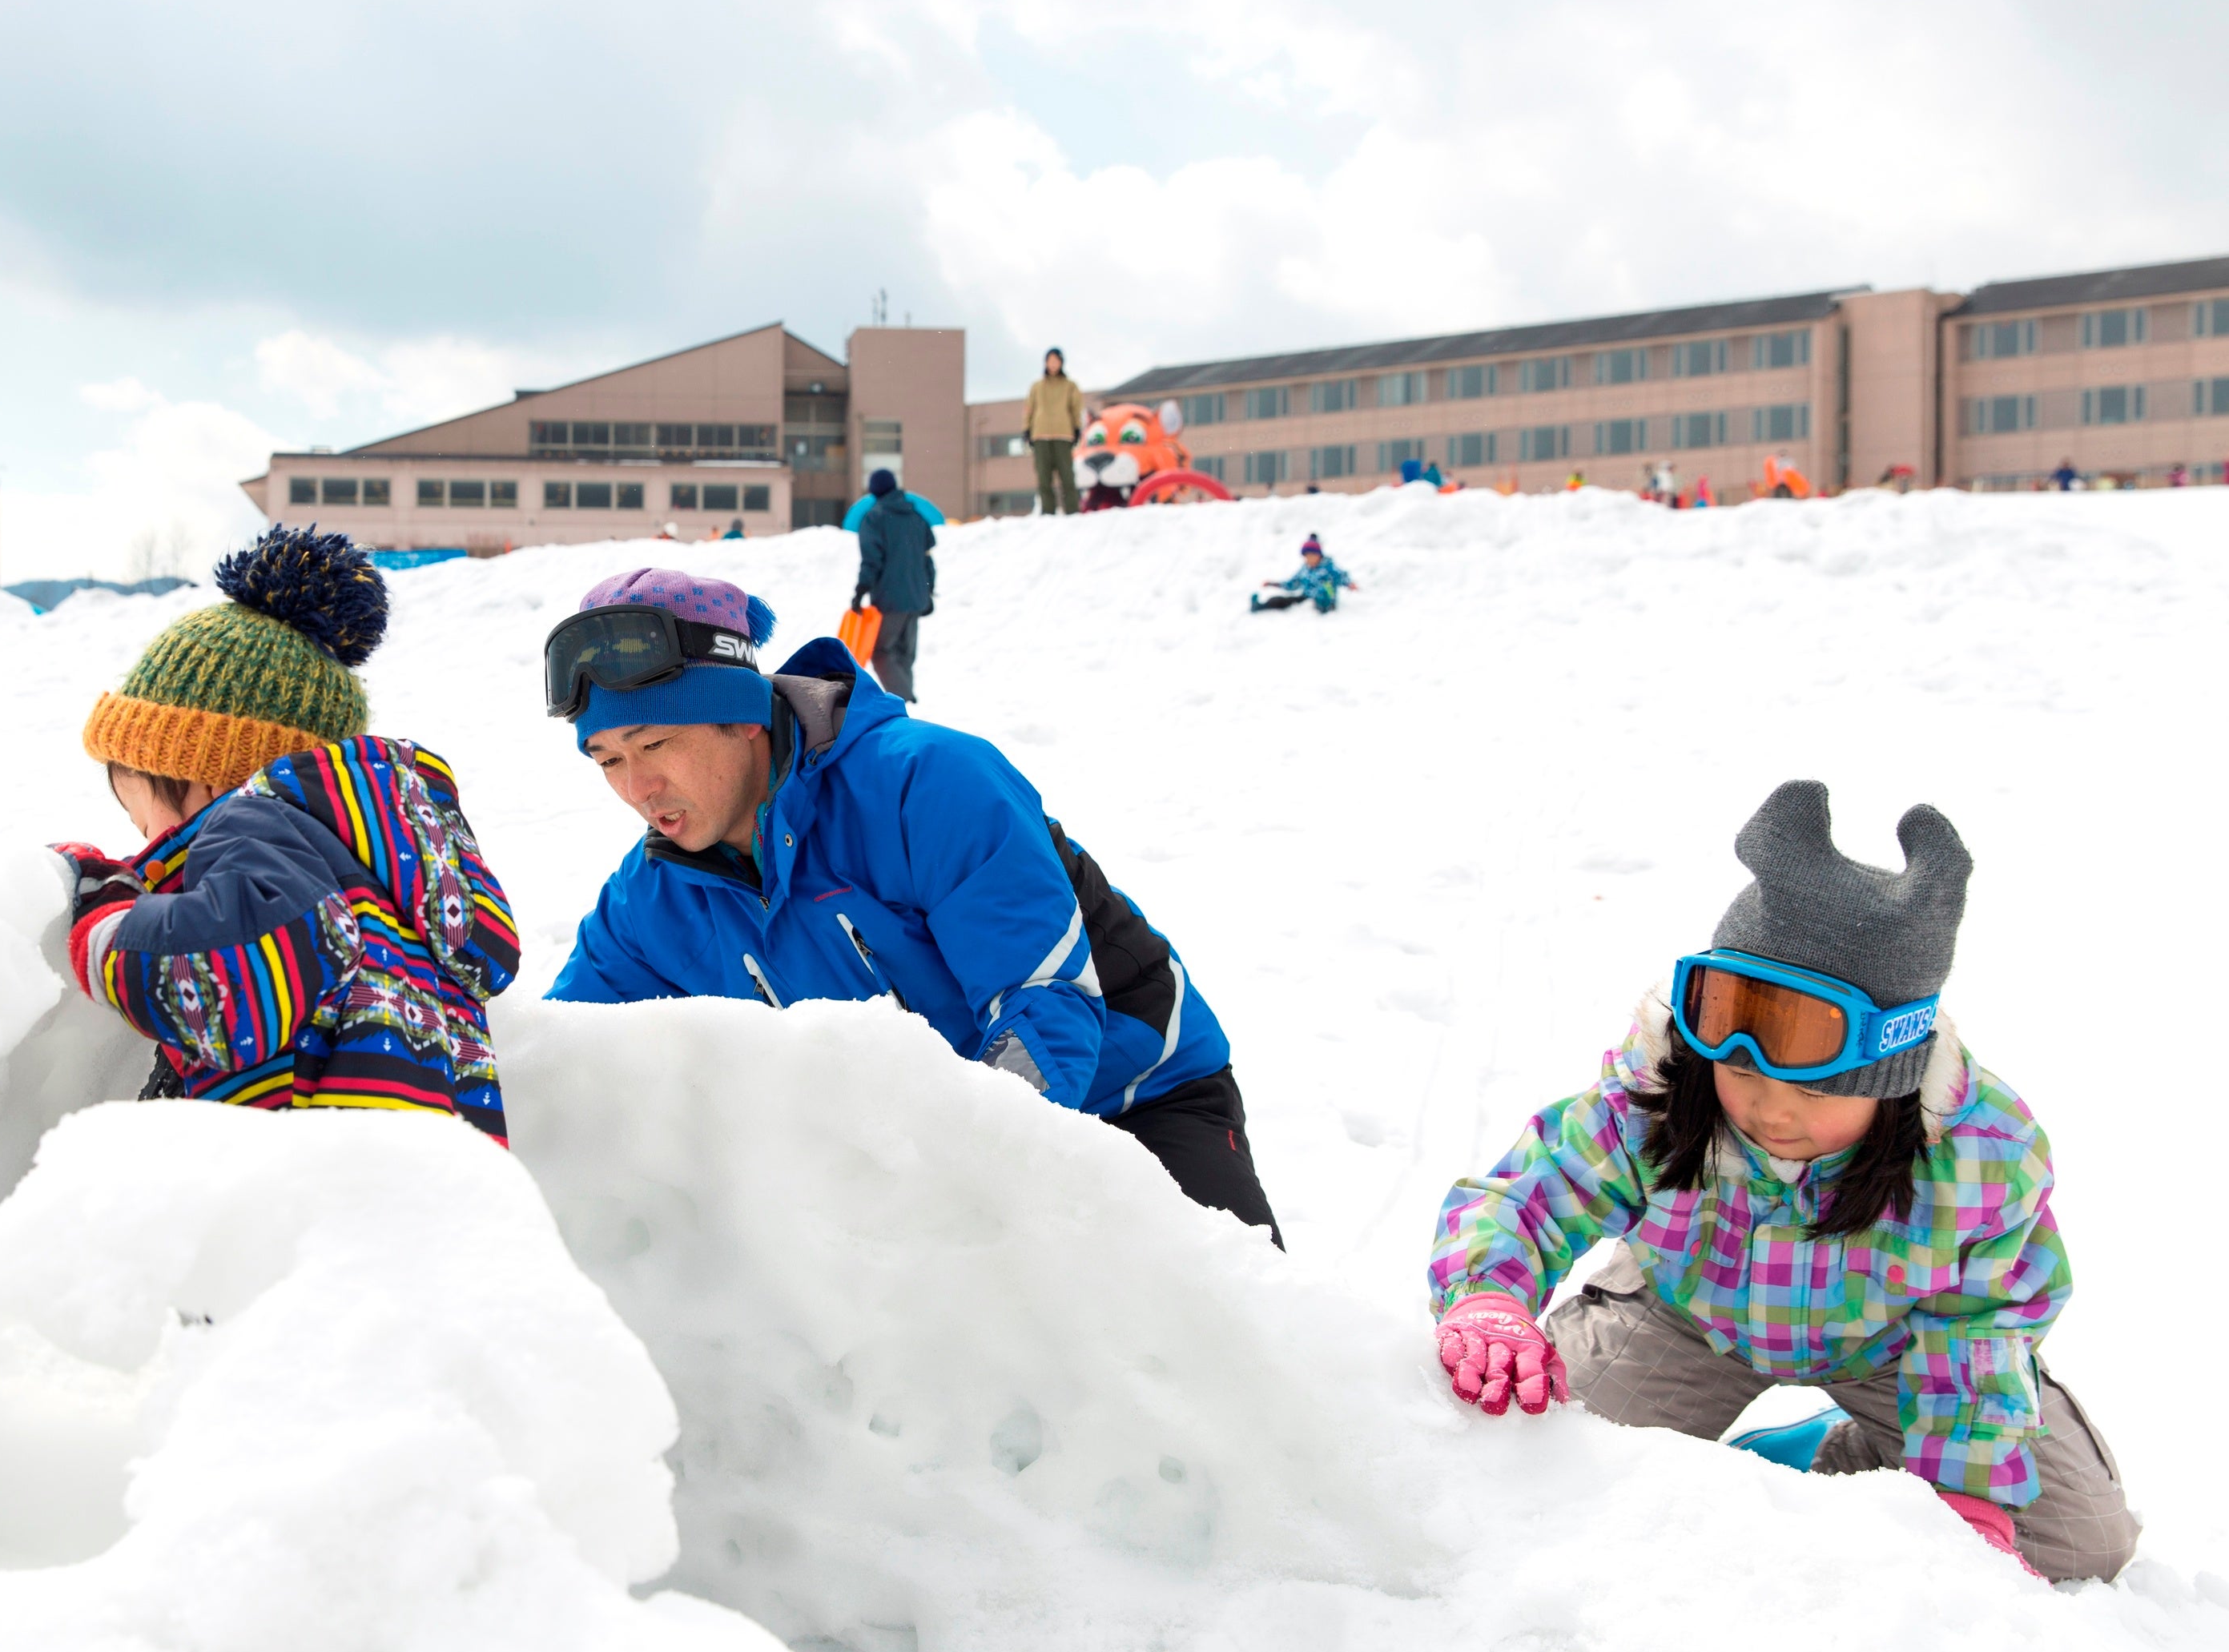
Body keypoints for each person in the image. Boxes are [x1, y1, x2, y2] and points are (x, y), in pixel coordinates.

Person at [1427, 781, 2135, 1582]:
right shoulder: (1659, 1097)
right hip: (1685, 1310)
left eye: (1816, 1090)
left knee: (2078, 1546)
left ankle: (1840, 1456)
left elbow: (1980, 1323)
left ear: (1892, 1080)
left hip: (1900, 1351)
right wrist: (1488, 1292)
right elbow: (1530, 1195)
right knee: (1533, 1470)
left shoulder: (1981, 1154)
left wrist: (1971, 1489)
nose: (1768, 1107)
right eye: (1739, 1070)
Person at [541, 568, 1279, 1236]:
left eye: (656, 745)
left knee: (1244, 1356)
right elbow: (561, 1060)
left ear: (740, 716)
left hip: (1138, 1098)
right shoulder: (650, 900)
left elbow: (1045, 1004)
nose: (637, 790)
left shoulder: (926, 784)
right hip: (919, 1173)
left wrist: (949, 1186)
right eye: (607, 760)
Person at [49, 526, 520, 1140]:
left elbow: (223, 977)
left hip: (314, 1195)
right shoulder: (392, 879)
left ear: (209, 779)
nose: (145, 849)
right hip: (421, 1196)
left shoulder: (257, 827)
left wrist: (106, 907)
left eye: (145, 821)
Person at [851, 468, 935, 701]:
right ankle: (907, 701)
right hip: (917, 597)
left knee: (881, 652)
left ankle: (905, 699)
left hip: (891, 599)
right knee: (904, 654)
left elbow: (871, 561)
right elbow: (927, 557)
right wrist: (929, 590)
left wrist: (861, 591)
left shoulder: (875, 517)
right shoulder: (916, 516)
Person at [1023, 348, 1085, 517]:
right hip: (1040, 434)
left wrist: (1077, 428)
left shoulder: (1070, 386)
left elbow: (1075, 409)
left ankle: (1072, 511)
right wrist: (1026, 430)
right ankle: (1048, 512)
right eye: (1050, 360)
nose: (1053, 364)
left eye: (1056, 360)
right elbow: (1030, 409)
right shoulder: (1037, 387)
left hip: (1063, 434)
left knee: (1067, 477)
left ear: (1061, 362)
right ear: (1045, 363)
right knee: (1044, 478)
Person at [1249, 534, 1354, 614]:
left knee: (1325, 587)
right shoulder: (1305, 570)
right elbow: (1292, 584)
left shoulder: (1328, 567)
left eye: (1312, 555)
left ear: (1319, 555)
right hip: (1308, 596)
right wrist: (1273, 584)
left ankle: (1325, 605)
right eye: (1307, 556)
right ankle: (1259, 606)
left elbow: (1341, 576)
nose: (1309, 559)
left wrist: (1350, 584)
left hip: (1327, 596)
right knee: (1280, 600)